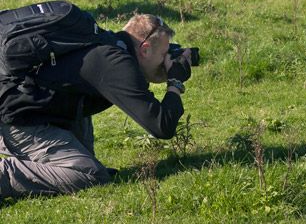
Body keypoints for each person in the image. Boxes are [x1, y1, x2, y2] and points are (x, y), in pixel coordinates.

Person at [0, 14, 192, 199]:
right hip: (16, 121)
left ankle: (57, 161)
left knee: (87, 163)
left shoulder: (106, 43)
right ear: (145, 49)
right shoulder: (115, 64)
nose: (166, 62)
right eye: (164, 54)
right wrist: (175, 82)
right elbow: (161, 126)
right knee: (91, 175)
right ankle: (5, 175)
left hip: (32, 108)